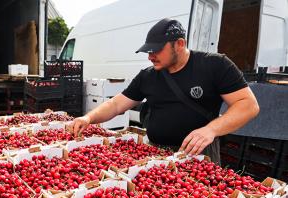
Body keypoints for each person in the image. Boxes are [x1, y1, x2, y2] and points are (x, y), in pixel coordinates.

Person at [72, 18, 260, 163]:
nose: (150, 57)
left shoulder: (215, 65)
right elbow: (116, 104)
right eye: (148, 51)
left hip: (198, 154)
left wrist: (211, 129)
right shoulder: (148, 75)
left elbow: (248, 105)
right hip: (156, 153)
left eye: (156, 50)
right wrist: (88, 118)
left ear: (180, 44)